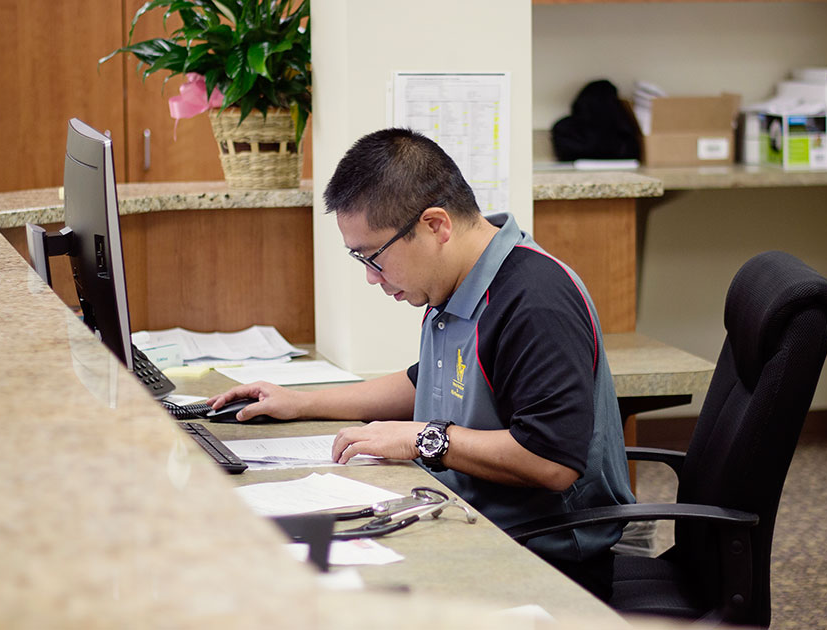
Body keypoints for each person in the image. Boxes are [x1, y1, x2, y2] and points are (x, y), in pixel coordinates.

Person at [207, 128, 634, 600]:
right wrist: (302, 402)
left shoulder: (534, 301)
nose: (372, 277)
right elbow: (427, 382)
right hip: (467, 518)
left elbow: (551, 461)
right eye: (359, 258)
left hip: (544, 559)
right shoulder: (453, 284)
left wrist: (421, 438)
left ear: (435, 226)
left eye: (375, 257)